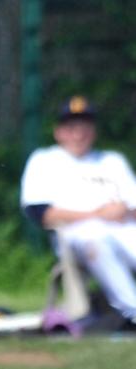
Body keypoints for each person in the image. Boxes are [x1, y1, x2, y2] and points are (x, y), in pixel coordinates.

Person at [21, 95, 136, 329]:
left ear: (93, 131)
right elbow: (41, 213)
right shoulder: (45, 160)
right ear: (59, 132)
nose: (79, 133)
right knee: (96, 239)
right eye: (72, 127)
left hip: (123, 228)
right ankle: (132, 310)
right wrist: (97, 215)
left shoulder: (111, 161)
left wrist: (123, 210)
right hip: (76, 233)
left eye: (85, 127)